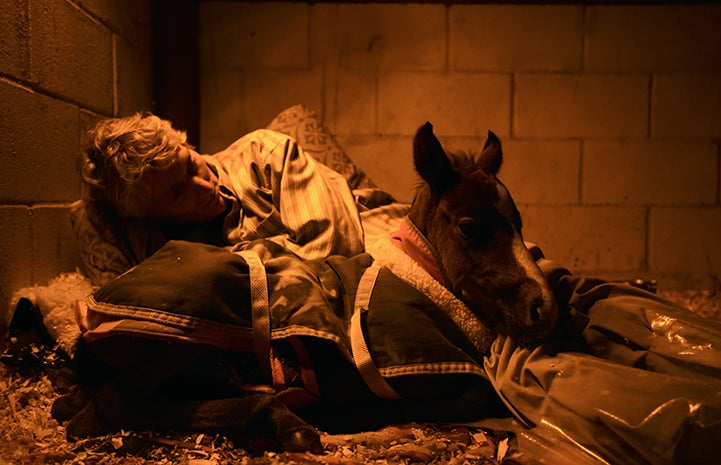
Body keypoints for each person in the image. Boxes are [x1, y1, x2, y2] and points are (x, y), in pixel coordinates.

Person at [79, 112, 365, 271]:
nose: (203, 187)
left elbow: (338, 257)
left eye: (191, 165)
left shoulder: (265, 154)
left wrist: (233, 261)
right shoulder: (149, 238)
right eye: (178, 194)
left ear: (188, 146)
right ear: (154, 215)